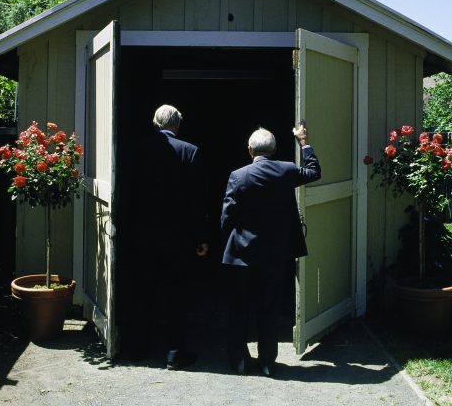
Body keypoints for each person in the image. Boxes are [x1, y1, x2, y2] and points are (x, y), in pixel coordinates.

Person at [220, 124, 321, 377]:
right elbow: (313, 172)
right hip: (274, 254)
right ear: (274, 150)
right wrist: (304, 143)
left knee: (238, 308)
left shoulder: (238, 175)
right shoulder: (285, 170)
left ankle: (240, 361)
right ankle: (267, 362)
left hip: (242, 254)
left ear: (250, 150)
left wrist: (227, 235)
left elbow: (227, 216)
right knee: (269, 308)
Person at [122, 104, 208, 370]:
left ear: (154, 123)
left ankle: (138, 349)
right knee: (176, 295)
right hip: (177, 237)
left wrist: (125, 229)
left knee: (142, 292)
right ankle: (173, 354)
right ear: (178, 125)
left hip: (142, 234)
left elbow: (127, 192)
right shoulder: (190, 152)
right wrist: (200, 237)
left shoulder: (136, 149)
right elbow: (196, 200)